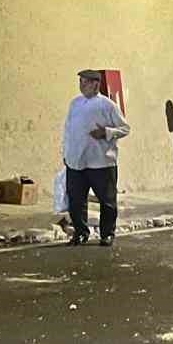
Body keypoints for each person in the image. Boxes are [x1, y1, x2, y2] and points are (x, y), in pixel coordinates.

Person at [61, 69, 131, 247]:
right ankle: (81, 233)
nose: (81, 85)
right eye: (80, 82)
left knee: (107, 201)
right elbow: (68, 130)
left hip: (101, 162)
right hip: (77, 161)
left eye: (85, 82)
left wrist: (106, 132)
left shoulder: (107, 105)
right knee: (76, 201)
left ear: (96, 84)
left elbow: (125, 129)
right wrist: (66, 153)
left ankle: (107, 234)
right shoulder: (75, 103)